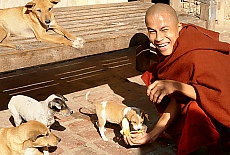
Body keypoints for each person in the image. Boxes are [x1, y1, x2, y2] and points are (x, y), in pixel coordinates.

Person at [124, 3, 230, 155]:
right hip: (211, 98)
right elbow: (179, 99)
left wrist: (176, 86)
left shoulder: (196, 54)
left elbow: (221, 97)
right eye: (152, 31)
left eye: (164, 29)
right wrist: (152, 136)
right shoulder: (177, 46)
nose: (159, 38)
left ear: (179, 26)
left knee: (194, 109)